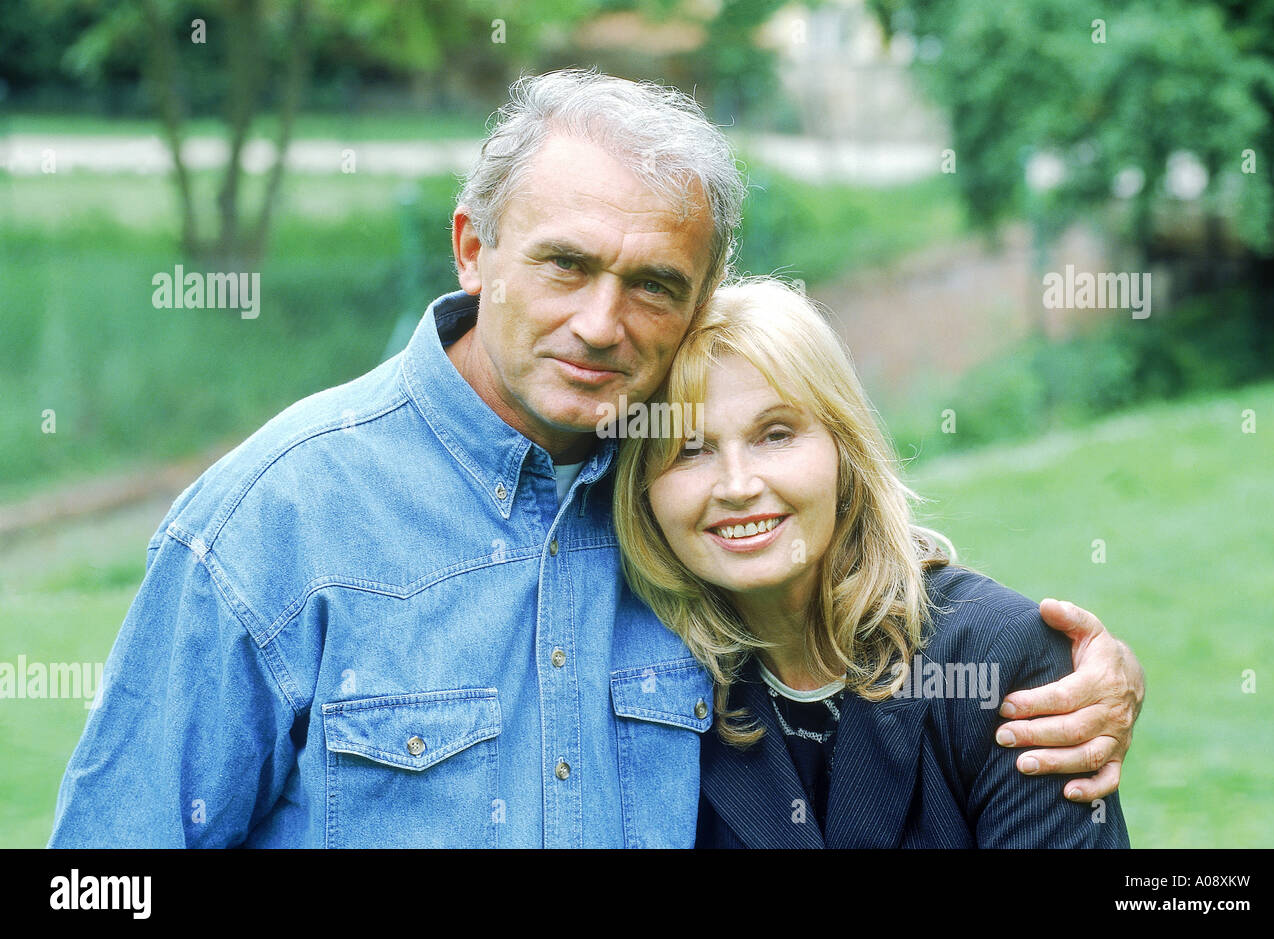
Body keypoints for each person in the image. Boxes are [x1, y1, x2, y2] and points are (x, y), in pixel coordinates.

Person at [48, 70, 1143, 849]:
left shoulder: (673, 507)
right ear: (474, 250)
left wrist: (1064, 671)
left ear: (699, 300)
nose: (601, 323)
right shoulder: (267, 526)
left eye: (654, 284)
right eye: (564, 265)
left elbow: (845, 593)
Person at [614, 277, 1130, 847]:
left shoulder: (1001, 658)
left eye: (775, 434)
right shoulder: (655, 690)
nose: (737, 486)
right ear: (643, 490)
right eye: (690, 450)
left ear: (845, 449)